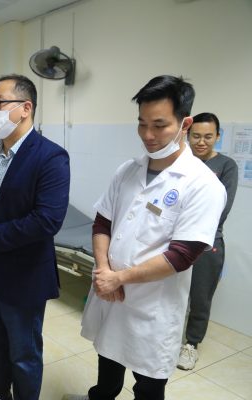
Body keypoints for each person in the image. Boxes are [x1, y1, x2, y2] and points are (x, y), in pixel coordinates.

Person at [63, 76, 227, 400]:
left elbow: (182, 255)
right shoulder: (128, 171)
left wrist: (119, 278)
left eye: (159, 125)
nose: (148, 135)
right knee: (107, 365)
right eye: (142, 124)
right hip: (111, 292)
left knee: (148, 386)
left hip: (153, 306)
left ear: (185, 124)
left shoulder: (203, 185)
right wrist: (103, 270)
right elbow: (102, 223)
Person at [0, 74, 70, 400]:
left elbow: (46, 221)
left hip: (23, 274)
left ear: (25, 108)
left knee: (23, 354)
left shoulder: (50, 157)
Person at [177, 112, 238, 370]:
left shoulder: (226, 166)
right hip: (176, 239)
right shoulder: (181, 161)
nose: (201, 142)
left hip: (208, 243)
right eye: (196, 136)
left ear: (218, 137)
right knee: (170, 293)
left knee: (200, 297)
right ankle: (167, 338)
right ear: (188, 135)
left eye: (208, 136)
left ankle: (191, 345)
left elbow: (222, 208)